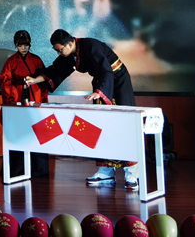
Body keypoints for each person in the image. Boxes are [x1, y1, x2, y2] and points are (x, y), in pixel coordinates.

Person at [24, 29, 139, 190]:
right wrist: (34, 80)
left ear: (69, 43)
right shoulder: (70, 54)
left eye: (60, 50)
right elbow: (56, 69)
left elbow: (106, 70)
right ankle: (106, 172)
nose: (59, 53)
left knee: (123, 126)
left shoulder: (91, 46)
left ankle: (132, 173)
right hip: (101, 86)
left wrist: (101, 91)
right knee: (102, 127)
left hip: (117, 83)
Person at [0, 29, 49, 177]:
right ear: (16, 45)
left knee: (36, 132)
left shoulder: (37, 60)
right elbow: (4, 80)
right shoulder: (11, 61)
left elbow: (44, 78)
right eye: (20, 45)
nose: (24, 48)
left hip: (35, 95)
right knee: (18, 132)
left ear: (30, 43)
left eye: (26, 45)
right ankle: (17, 169)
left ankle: (39, 169)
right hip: (18, 96)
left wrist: (42, 96)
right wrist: (11, 96)